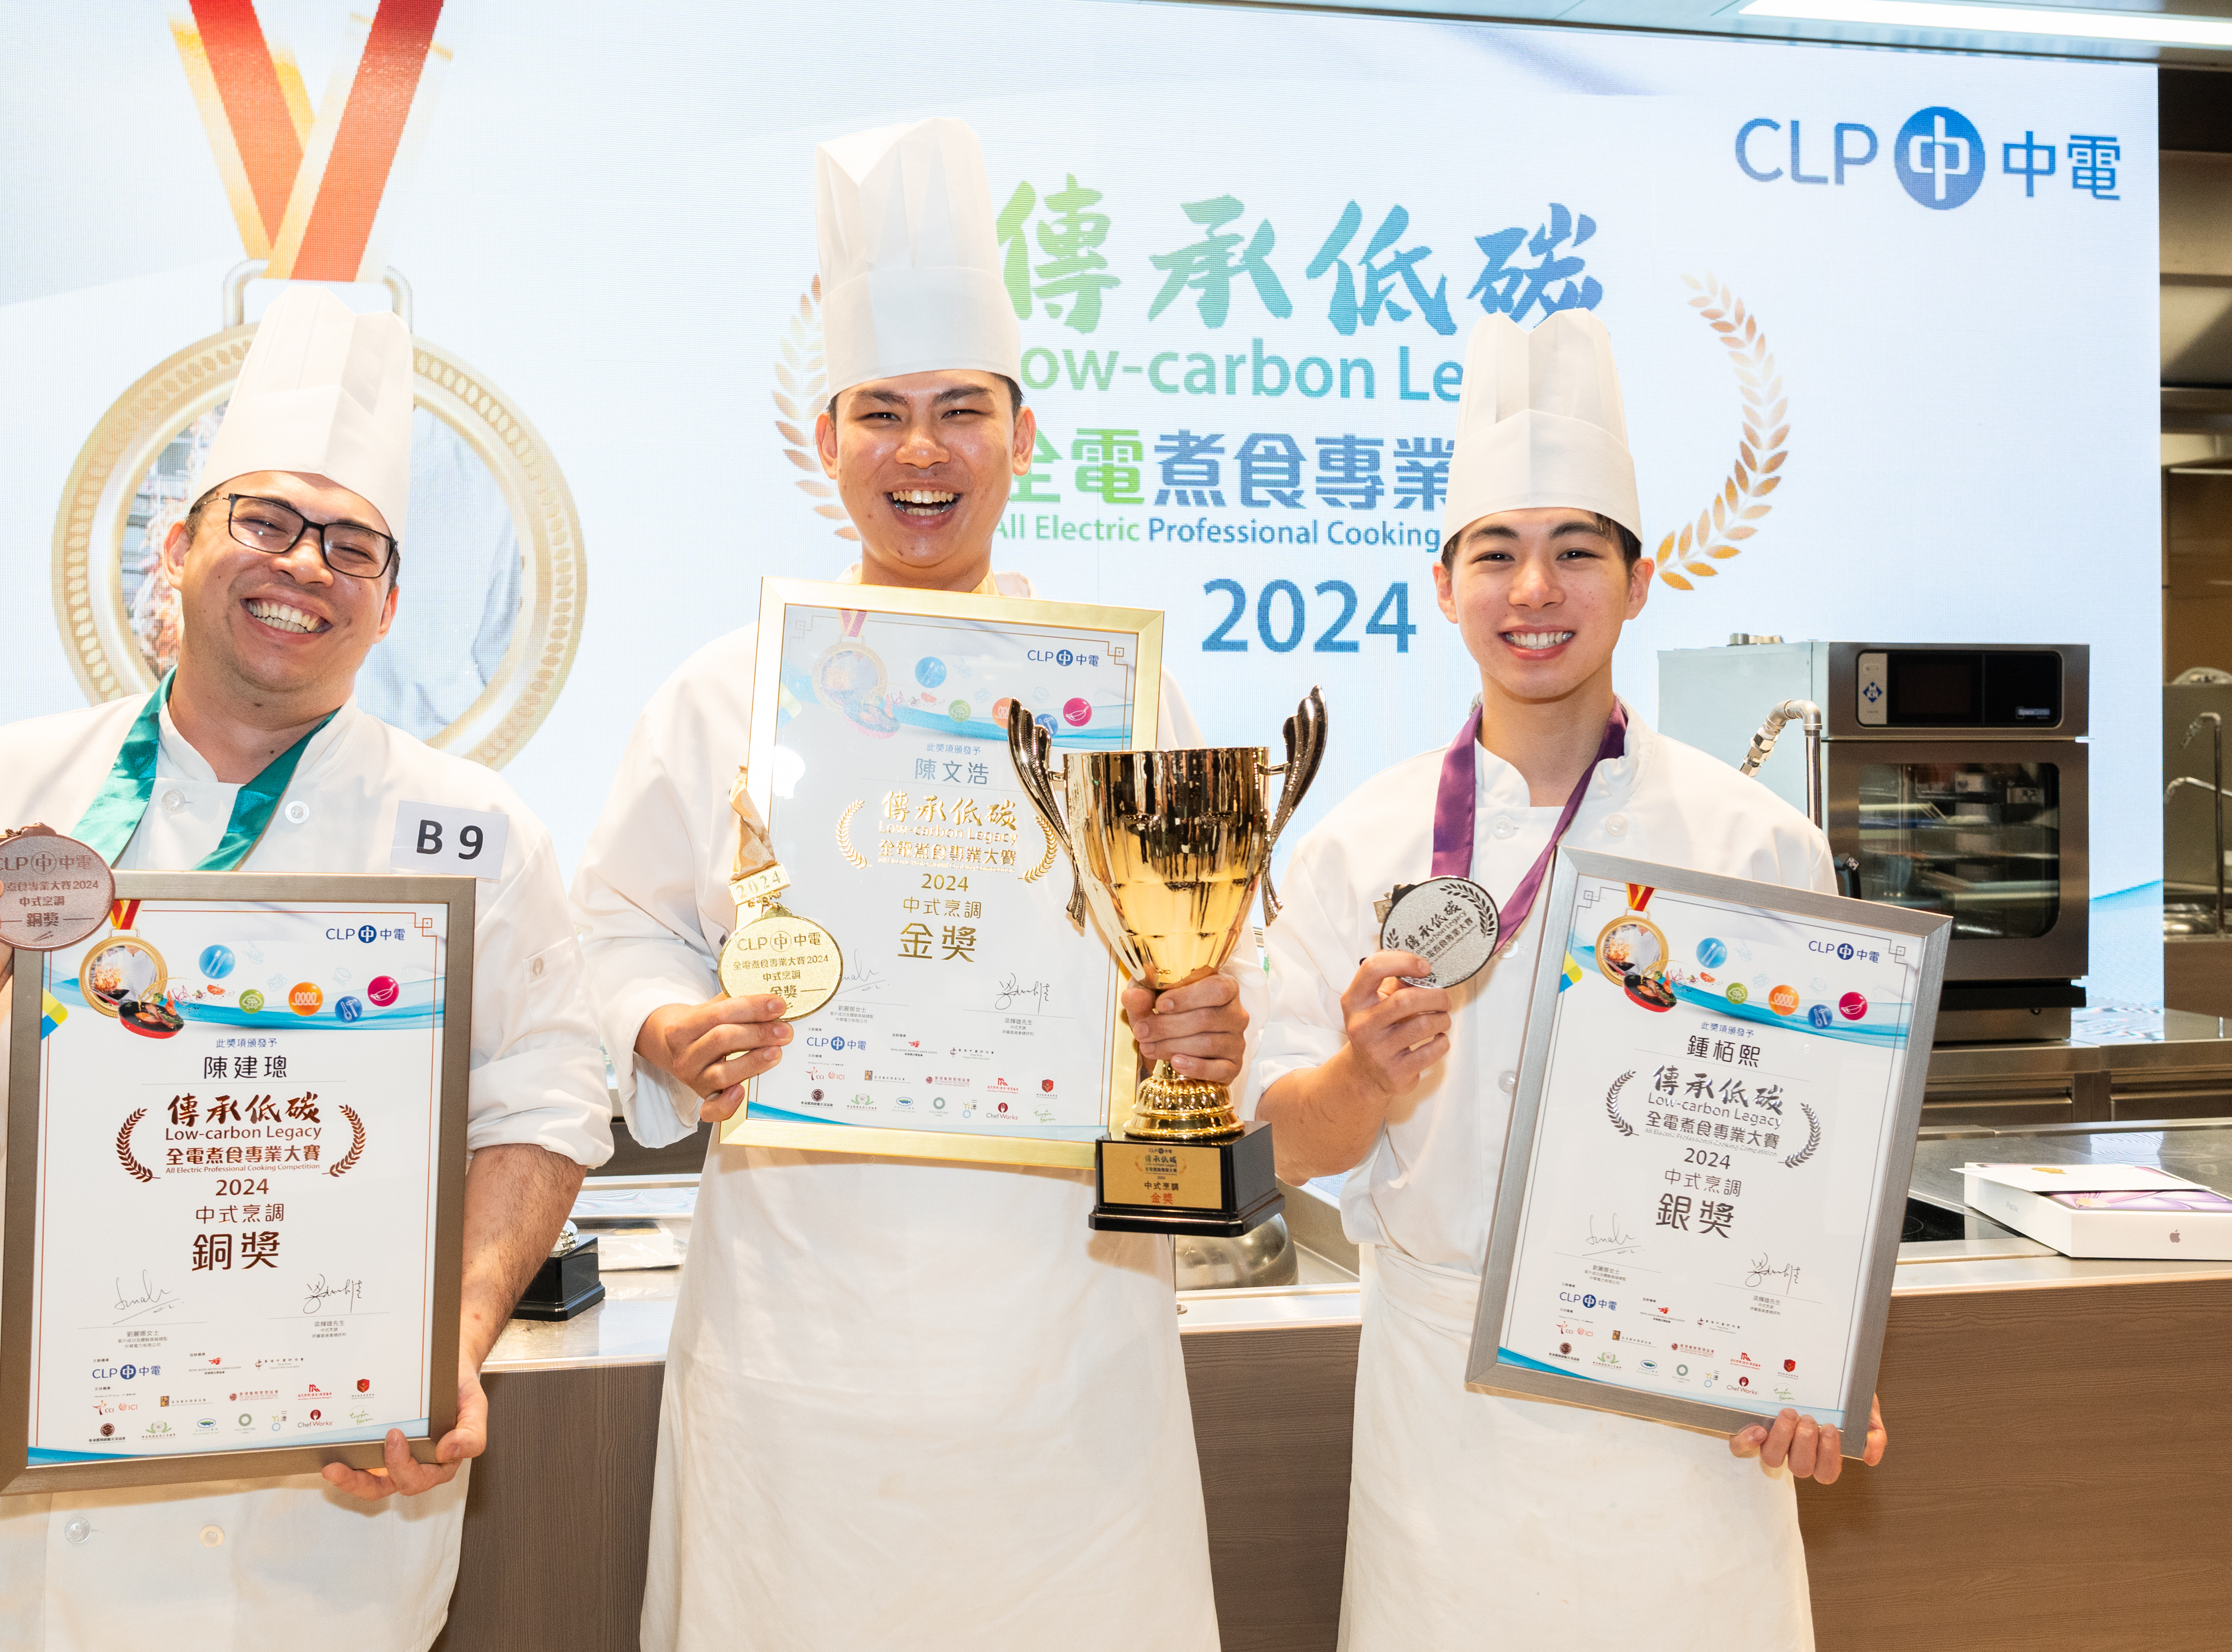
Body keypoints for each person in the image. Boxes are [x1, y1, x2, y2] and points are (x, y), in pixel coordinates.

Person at [0, 287, 611, 1652]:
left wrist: (451, 1344)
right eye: (267, 521)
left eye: (353, 545)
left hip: (328, 1521)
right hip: (14, 1545)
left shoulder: (477, 833)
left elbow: (542, 1107)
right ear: (175, 548)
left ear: (390, 602)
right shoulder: (0, 790)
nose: (307, 565)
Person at [573, 117, 1244, 1652]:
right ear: (824, 441)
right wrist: (671, 1031)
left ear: (1025, 434)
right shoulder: (723, 688)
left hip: (1068, 1337)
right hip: (802, 1342)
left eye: (959, 412)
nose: (920, 452)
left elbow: (1202, 979)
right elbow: (614, 930)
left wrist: (1202, 1027)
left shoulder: (1123, 700)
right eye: (880, 412)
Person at [1246, 309, 1887, 1650]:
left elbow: (1823, 1157)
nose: (1534, 589)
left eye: (1575, 552)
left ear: (1641, 581)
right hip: (1446, 1423)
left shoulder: (1752, 838)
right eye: (1498, 552)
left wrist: (1823, 1360)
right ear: (1443, 582)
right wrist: (1364, 1074)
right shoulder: (1357, 844)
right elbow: (1280, 1152)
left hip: (1685, 1423)